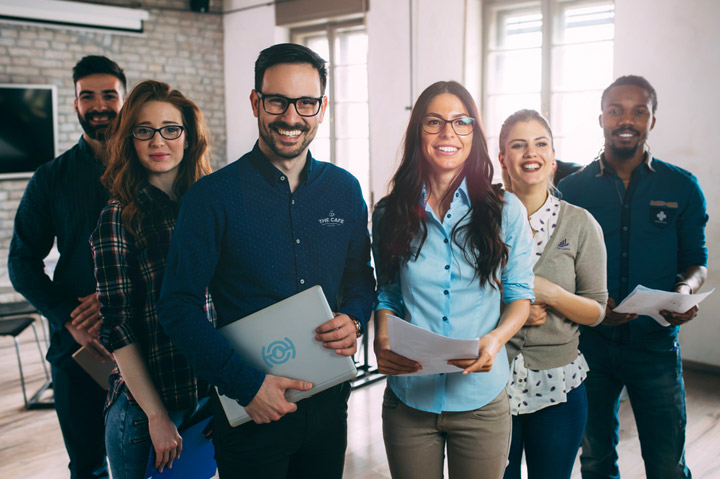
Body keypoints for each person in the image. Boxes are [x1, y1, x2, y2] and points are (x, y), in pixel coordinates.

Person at [156, 43, 375, 479]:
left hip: (329, 404)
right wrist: (246, 385)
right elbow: (176, 306)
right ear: (256, 101)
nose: (292, 117)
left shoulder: (345, 190)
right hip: (250, 411)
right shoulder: (210, 198)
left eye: (306, 103)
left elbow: (360, 278)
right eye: (277, 101)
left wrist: (353, 317)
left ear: (322, 107)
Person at [372, 81, 535, 479]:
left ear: (474, 134)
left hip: (481, 401)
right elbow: (388, 292)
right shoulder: (390, 212)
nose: (449, 133)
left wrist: (495, 341)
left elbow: (519, 295)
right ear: (417, 133)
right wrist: (380, 335)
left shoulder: (505, 210)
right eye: (435, 122)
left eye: (461, 122)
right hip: (409, 400)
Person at [557, 75, 708, 479]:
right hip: (589, 347)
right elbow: (555, 265)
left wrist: (684, 290)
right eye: (616, 110)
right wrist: (588, 302)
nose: (627, 120)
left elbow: (697, 260)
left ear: (652, 120)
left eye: (639, 111)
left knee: (667, 463)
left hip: (655, 346)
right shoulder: (571, 190)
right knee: (595, 459)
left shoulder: (682, 186)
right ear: (601, 118)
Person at [89, 80, 215, 478]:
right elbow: (117, 326)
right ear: (130, 139)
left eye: (170, 129)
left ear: (188, 137)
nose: (158, 141)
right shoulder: (118, 216)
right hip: (149, 414)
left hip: (208, 396)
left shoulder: (207, 205)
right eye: (144, 130)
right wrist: (157, 416)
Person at [8, 55, 125, 479]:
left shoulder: (155, 167)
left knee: (160, 457)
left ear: (125, 101)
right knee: (89, 466)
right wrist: (68, 319)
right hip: (80, 351)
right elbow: (21, 264)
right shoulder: (50, 178)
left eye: (109, 95)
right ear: (75, 105)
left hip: (151, 339)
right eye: (87, 96)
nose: (99, 105)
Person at [497, 109, 608, 479]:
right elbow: (454, 295)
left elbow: (597, 310)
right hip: (489, 381)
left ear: (553, 157)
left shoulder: (580, 224)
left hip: (559, 386)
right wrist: (513, 309)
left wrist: (552, 294)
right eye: (518, 145)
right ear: (502, 159)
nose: (531, 153)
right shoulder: (477, 221)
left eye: (540, 143)